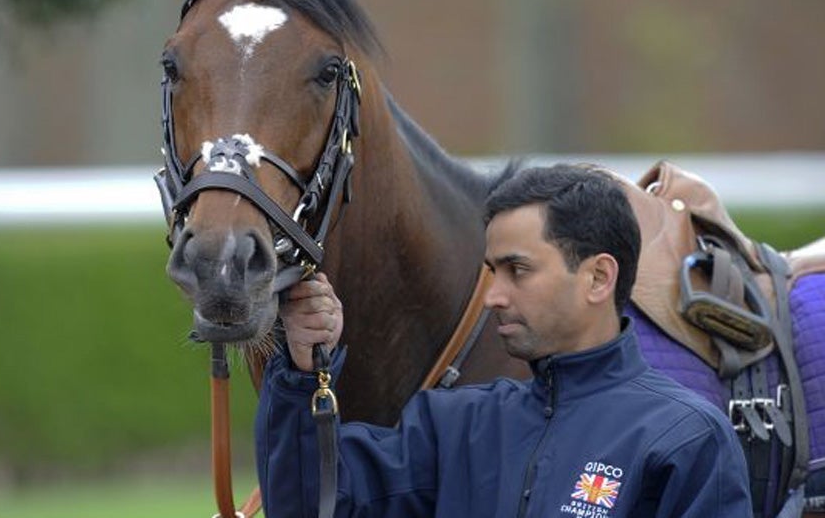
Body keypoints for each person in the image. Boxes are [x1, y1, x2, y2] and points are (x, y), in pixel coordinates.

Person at [255, 164, 753, 517]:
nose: (492, 295)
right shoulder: (449, 425)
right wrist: (302, 373)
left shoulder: (686, 438)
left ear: (599, 278)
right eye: (491, 270)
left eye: (518, 270)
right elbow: (309, 505)